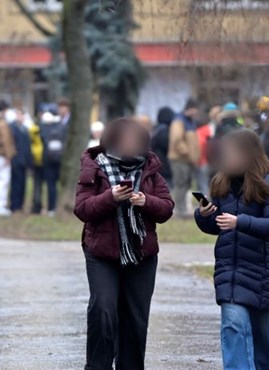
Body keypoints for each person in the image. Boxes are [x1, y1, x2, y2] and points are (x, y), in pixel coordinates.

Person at [74, 117, 174, 370]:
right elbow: (82, 209)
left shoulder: (150, 170)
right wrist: (111, 197)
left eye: (135, 140)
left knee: (135, 319)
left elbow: (166, 209)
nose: (131, 144)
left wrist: (146, 201)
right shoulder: (94, 168)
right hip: (102, 253)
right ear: (113, 141)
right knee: (103, 311)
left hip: (141, 255)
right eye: (125, 139)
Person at [194, 129, 269, 370]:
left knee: (261, 341)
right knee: (232, 326)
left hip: (262, 272)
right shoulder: (221, 182)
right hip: (229, 271)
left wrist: (239, 222)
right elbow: (216, 226)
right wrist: (203, 215)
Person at [168, 99, 201, 216]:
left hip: (188, 161)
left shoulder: (190, 121)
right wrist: (188, 153)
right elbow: (177, 141)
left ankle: (182, 208)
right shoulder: (179, 121)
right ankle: (179, 209)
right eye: (195, 109)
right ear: (190, 109)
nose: (197, 112)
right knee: (180, 184)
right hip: (180, 159)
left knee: (186, 184)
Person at [39, 110, 67, 216]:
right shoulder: (62, 127)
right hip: (59, 159)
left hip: (48, 159)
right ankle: (55, 207)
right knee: (57, 184)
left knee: (50, 184)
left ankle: (51, 208)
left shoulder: (44, 128)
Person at [9, 109, 33, 213]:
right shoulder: (12, 128)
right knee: (16, 183)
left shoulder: (24, 128)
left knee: (22, 183)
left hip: (24, 160)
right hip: (16, 159)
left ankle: (20, 204)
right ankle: (14, 205)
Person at [151, 107, 174, 187]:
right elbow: (166, 145)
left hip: (156, 163)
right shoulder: (163, 130)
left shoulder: (156, 129)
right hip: (163, 164)